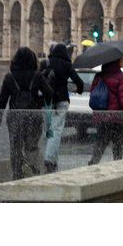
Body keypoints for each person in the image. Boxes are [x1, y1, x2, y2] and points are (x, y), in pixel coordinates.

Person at [0, 46, 53, 181]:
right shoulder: (37, 76)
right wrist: (38, 102)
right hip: (34, 117)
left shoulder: (9, 77)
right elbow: (49, 93)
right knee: (31, 146)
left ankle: (17, 172)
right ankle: (30, 166)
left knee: (15, 146)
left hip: (15, 117)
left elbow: (2, 100)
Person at [42, 43, 83, 173]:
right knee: (57, 130)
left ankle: (52, 158)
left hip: (46, 101)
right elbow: (80, 83)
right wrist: (78, 90)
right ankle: (50, 158)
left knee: (49, 130)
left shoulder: (45, 63)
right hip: (61, 100)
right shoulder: (67, 65)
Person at [88, 57, 123, 164]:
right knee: (117, 148)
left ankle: (92, 166)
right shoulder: (121, 78)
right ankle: (117, 170)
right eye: (122, 59)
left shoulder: (98, 76)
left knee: (100, 145)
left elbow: (92, 93)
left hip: (101, 117)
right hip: (117, 119)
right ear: (116, 61)